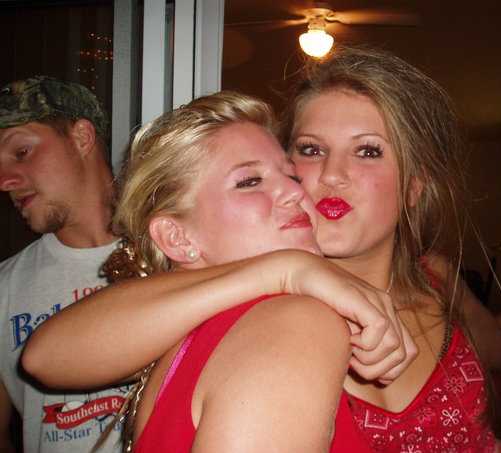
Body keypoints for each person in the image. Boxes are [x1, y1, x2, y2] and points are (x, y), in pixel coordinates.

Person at [22, 46, 501, 451]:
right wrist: (286, 270)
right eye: (309, 149)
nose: (330, 175)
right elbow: (51, 353)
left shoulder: (436, 277)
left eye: (368, 151)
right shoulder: (274, 312)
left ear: (414, 188)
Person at [99, 90, 397, 452]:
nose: (295, 193)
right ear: (177, 237)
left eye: (292, 177)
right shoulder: (295, 322)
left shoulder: (184, 339)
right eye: (249, 182)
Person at [0, 76, 131, 452]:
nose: (5, 181)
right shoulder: (5, 288)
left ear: (82, 137)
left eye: (21, 152)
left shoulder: (176, 255)